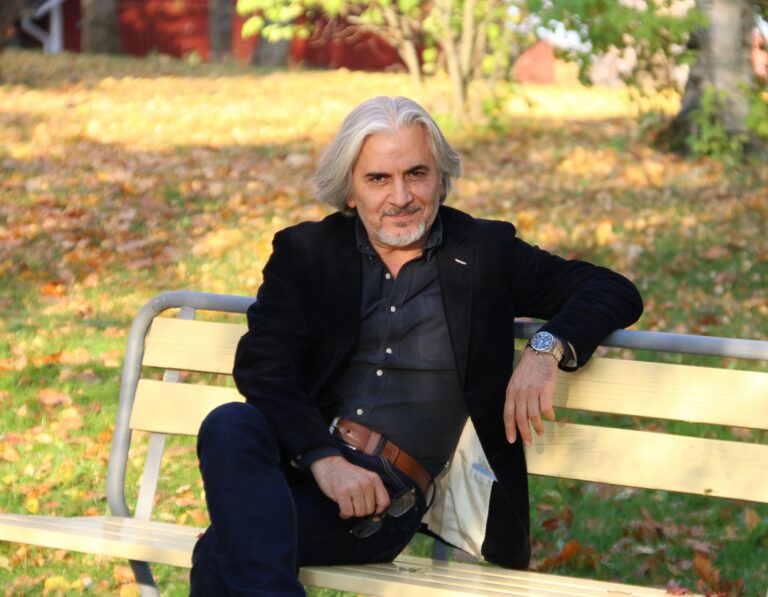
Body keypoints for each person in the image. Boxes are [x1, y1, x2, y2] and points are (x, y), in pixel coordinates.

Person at [189, 96, 643, 595]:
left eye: (416, 174)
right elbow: (263, 365)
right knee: (229, 424)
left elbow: (611, 289)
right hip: (302, 460)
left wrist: (544, 348)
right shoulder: (308, 253)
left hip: (383, 499)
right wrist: (326, 462)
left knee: (222, 552)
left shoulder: (484, 253)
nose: (401, 196)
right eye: (378, 179)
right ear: (350, 191)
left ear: (440, 180)